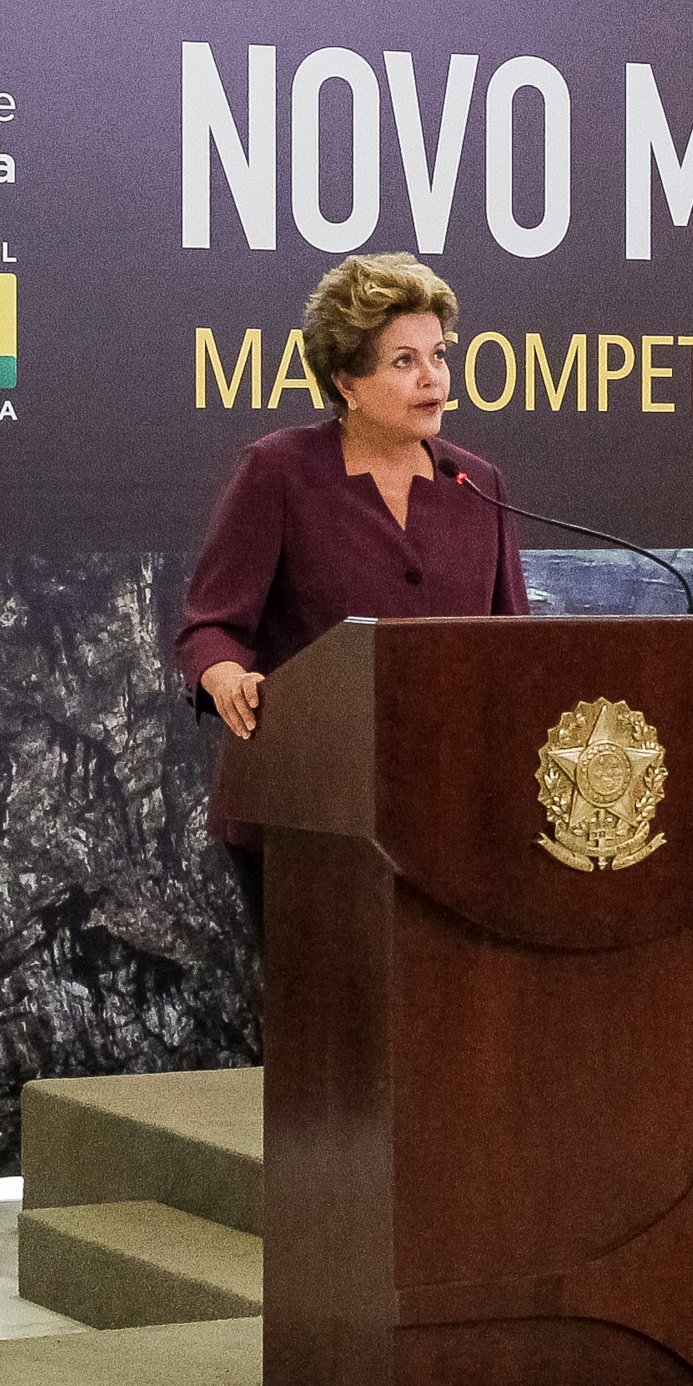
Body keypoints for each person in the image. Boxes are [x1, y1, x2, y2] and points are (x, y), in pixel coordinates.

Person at [176, 252, 529, 919]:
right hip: (306, 808)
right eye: (404, 362)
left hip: (448, 816)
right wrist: (223, 674)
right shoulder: (280, 471)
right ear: (347, 381)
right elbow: (210, 625)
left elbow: (511, 642)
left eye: (439, 356)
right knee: (330, 1018)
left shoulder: (477, 483)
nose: (434, 379)